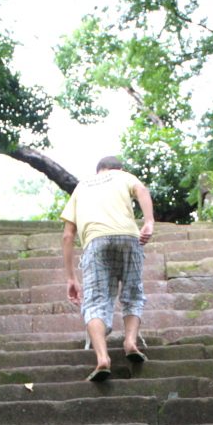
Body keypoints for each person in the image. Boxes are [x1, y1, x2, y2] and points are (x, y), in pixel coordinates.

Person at [61, 155, 156, 381]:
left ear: (98, 171)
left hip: (95, 241)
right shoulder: (123, 176)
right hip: (128, 236)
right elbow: (142, 190)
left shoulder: (81, 187)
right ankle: (130, 342)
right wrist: (149, 221)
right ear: (118, 169)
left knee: (94, 301)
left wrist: (71, 277)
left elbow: (67, 236)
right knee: (133, 292)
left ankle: (103, 358)